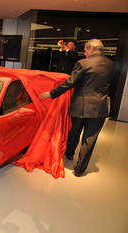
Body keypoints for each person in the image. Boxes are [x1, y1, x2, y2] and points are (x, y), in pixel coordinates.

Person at [39, 39, 114, 177]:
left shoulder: (83, 63)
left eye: (85, 50)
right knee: (90, 140)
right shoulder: (110, 64)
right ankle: (79, 170)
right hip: (100, 107)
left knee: (74, 132)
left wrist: (51, 93)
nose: (84, 53)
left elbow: (70, 82)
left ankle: (69, 154)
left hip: (81, 105)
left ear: (91, 48)